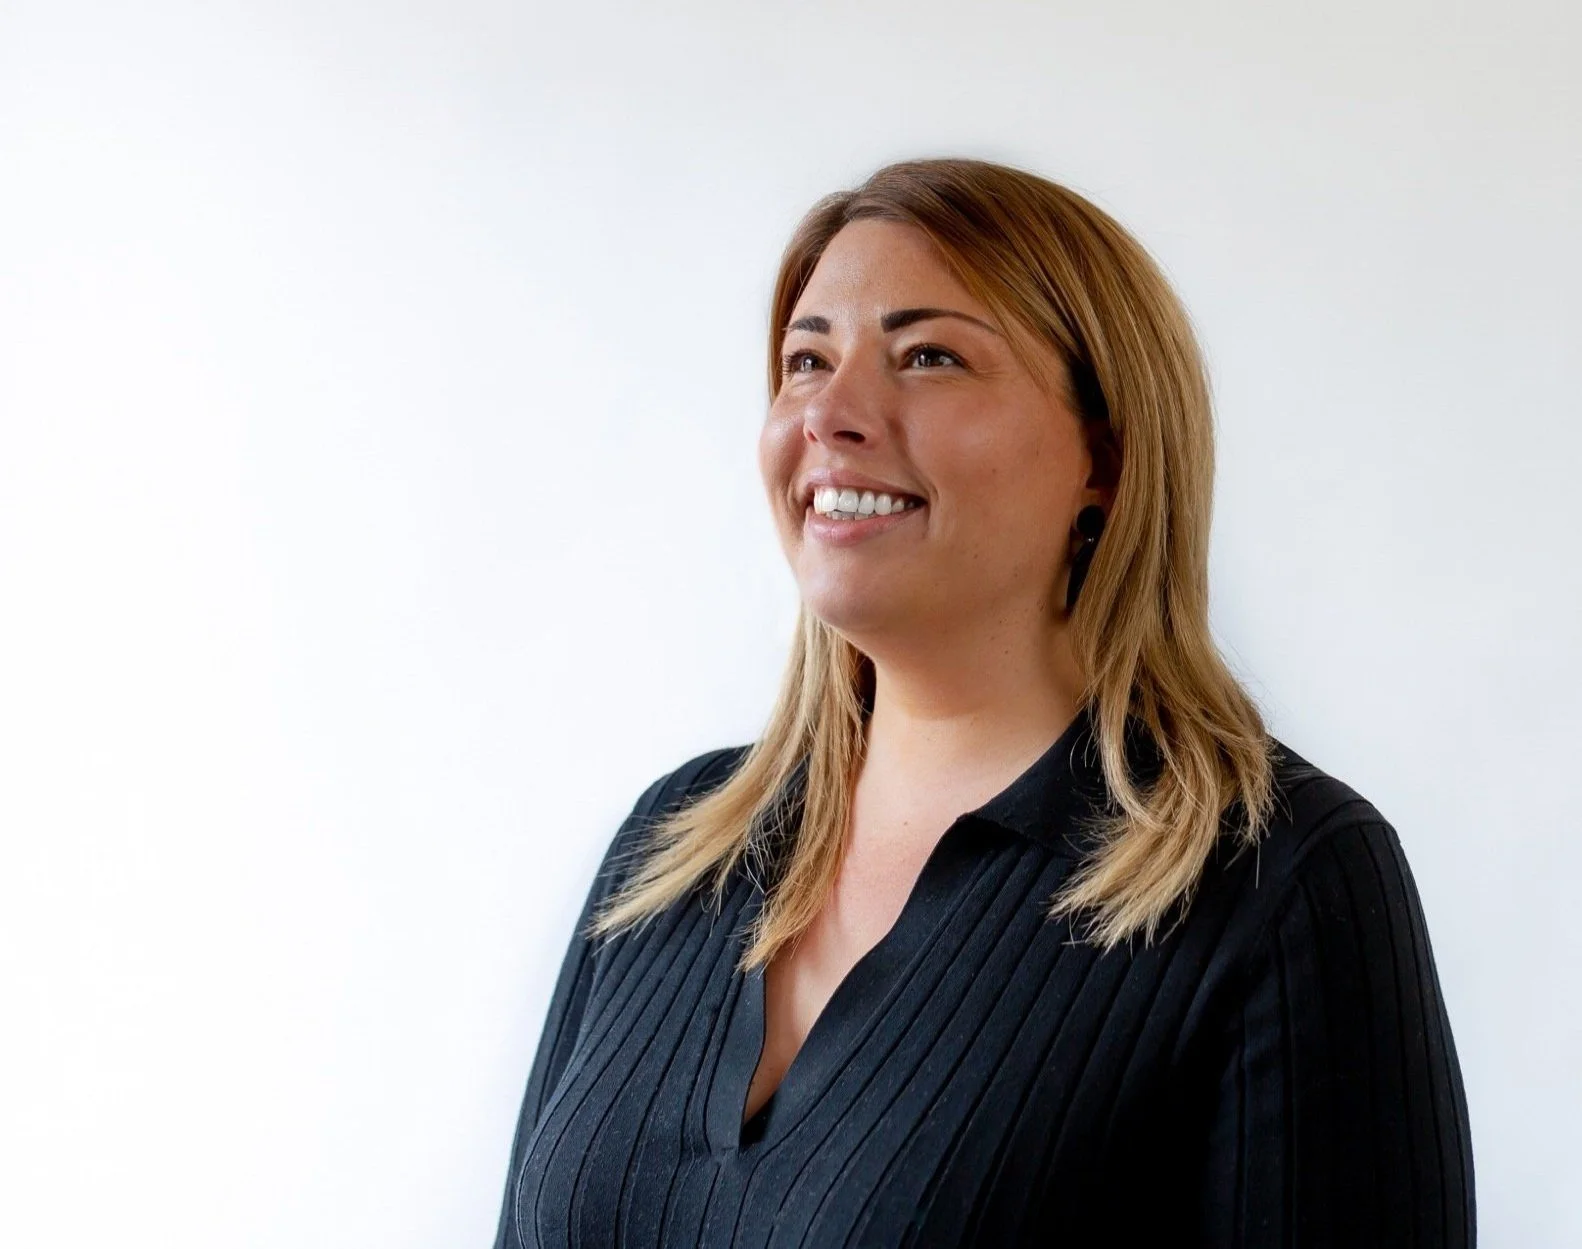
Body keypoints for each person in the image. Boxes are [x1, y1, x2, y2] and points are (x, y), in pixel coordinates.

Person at [491, 156, 1475, 1248]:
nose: (831, 412)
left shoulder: (1274, 881)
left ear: (1103, 456)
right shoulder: (671, 847)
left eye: (928, 356)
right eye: (805, 359)